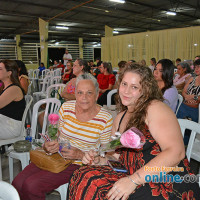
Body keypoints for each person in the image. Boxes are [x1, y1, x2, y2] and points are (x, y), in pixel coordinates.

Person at [68, 63, 200, 200]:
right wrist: (100, 160)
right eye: (124, 84)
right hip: (131, 174)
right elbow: (117, 158)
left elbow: (176, 152)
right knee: (82, 175)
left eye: (134, 87)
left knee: (105, 193)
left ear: (145, 90)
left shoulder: (155, 108)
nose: (126, 91)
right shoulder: (119, 118)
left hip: (166, 178)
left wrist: (133, 180)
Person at [12, 73, 113, 200]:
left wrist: (80, 155)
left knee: (32, 185)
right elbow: (56, 134)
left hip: (78, 164)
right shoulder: (66, 107)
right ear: (75, 94)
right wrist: (50, 144)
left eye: (89, 93)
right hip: (55, 156)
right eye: (80, 93)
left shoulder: (105, 118)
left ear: (97, 94)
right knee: (17, 183)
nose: (84, 98)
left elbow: (107, 154)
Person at [0, 59, 25, 139]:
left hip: (11, 127)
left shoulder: (14, 89)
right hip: (5, 122)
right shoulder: (4, 87)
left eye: (0, 69)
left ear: (9, 73)